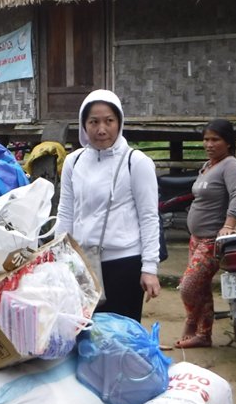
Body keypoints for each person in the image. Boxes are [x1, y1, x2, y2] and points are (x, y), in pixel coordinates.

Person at [56, 89, 161, 322]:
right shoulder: (74, 161)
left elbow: (149, 217)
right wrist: (60, 257)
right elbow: (65, 211)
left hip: (124, 264)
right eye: (93, 122)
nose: (101, 129)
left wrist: (150, 268)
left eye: (109, 121)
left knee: (120, 339)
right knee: (85, 335)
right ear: (84, 125)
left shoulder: (137, 162)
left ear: (119, 122)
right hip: (83, 264)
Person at [175, 119, 236, 348]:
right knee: (202, 289)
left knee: (188, 285)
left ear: (228, 142)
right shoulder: (208, 166)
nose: (209, 144)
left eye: (215, 139)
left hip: (212, 240)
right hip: (195, 238)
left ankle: (191, 321)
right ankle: (203, 335)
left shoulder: (230, 165)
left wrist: (229, 224)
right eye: (206, 139)